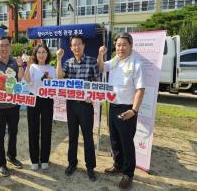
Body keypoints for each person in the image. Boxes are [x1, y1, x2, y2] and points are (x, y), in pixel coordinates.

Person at [98, 32, 145, 190]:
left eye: (124, 45)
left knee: (126, 143)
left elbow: (140, 90)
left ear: (131, 46)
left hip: (127, 109)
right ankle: (117, 165)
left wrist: (134, 110)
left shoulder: (136, 63)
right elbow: (101, 67)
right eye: (118, 45)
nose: (121, 48)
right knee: (115, 140)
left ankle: (128, 174)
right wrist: (100, 54)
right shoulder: (116, 60)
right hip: (113, 106)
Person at [56, 35, 99, 182]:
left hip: (86, 105)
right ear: (71, 47)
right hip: (72, 104)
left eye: (78, 44)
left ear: (84, 45)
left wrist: (92, 95)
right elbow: (60, 78)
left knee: (88, 136)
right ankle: (72, 163)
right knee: (72, 135)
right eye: (73, 45)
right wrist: (59, 59)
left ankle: (90, 167)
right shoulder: (67, 63)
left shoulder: (92, 62)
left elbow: (97, 82)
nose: (76, 47)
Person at [0, 35, 24, 177]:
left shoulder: (15, 62)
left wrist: (21, 66)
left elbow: (21, 80)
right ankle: (1, 163)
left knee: (13, 133)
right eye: (1, 45)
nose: (4, 48)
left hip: (14, 106)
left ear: (10, 46)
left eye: (6, 45)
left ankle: (12, 156)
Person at [24, 44, 56, 171]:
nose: (41, 54)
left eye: (44, 52)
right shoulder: (32, 67)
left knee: (46, 129)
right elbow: (27, 81)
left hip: (47, 100)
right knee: (33, 129)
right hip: (34, 99)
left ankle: (44, 159)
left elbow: (55, 84)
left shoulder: (51, 68)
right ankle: (34, 159)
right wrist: (26, 65)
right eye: (39, 52)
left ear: (47, 54)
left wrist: (50, 80)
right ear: (35, 55)